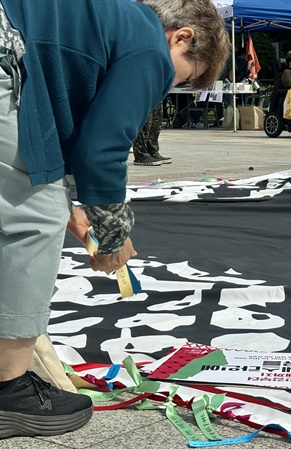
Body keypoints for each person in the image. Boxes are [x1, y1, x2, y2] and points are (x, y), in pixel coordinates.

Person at [0, 0, 229, 440]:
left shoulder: (105, 19)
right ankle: (8, 388)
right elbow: (101, 150)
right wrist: (112, 234)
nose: (167, 86)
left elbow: (47, 135)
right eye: (184, 74)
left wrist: (72, 207)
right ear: (181, 37)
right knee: (35, 219)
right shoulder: (148, 45)